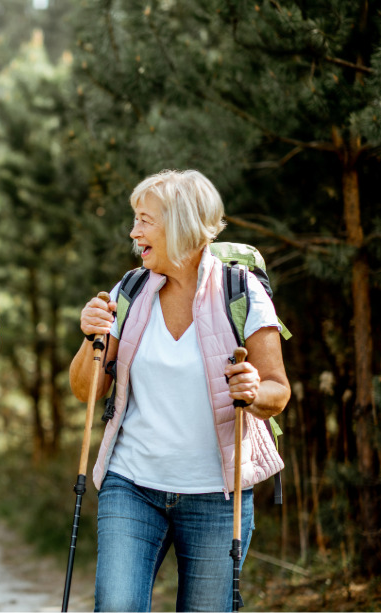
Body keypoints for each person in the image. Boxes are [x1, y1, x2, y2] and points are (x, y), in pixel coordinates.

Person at [68, 169, 290, 612]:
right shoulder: (129, 291)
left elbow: (277, 391)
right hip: (131, 484)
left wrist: (252, 390)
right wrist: (89, 336)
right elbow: (85, 390)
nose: (134, 232)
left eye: (145, 220)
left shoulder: (239, 292)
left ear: (183, 224)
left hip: (216, 496)